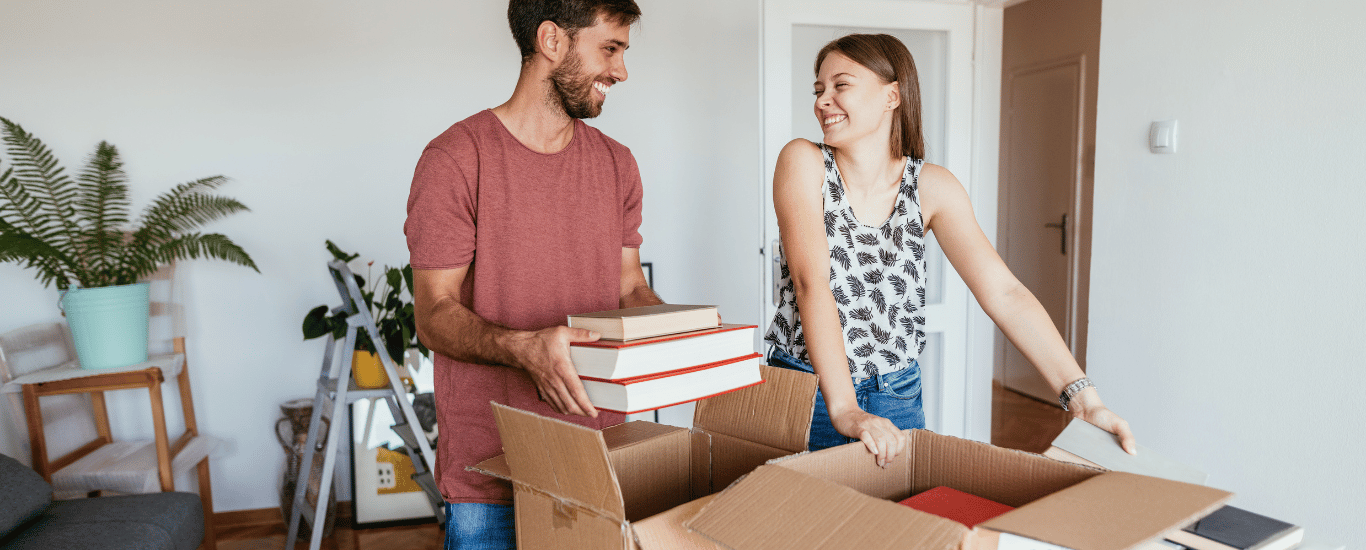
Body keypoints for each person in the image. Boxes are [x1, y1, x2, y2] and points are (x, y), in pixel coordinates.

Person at [764, 33, 1135, 468]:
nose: (823, 101)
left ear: (892, 95)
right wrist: (846, 410)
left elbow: (1004, 293)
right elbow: (813, 285)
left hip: (895, 393)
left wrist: (1084, 399)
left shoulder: (931, 186)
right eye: (818, 89)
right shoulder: (802, 162)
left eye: (840, 85)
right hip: (806, 388)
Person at [404, 1, 656, 548]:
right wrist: (525, 348)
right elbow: (433, 315)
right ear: (552, 41)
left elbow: (629, 286)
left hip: (596, 463)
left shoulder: (618, 164)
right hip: (491, 473)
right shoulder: (454, 159)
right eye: (609, 49)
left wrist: (687, 340)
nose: (621, 70)